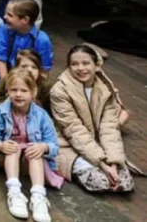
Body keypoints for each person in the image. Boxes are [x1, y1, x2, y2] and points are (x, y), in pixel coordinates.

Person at [49, 44, 135, 193]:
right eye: (74, 64)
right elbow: (74, 130)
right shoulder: (59, 90)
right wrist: (102, 164)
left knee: (125, 183)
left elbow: (109, 128)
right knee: (100, 182)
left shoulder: (105, 88)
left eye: (86, 63)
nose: (80, 68)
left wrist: (113, 162)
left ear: (97, 65)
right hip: (68, 143)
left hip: (96, 142)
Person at [0, 70, 60, 222]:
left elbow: (54, 146)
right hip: (7, 158)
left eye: (24, 90)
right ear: (7, 91)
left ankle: (38, 197)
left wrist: (43, 147)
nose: (18, 94)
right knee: (13, 147)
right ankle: (14, 192)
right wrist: (0, 145)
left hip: (30, 161)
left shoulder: (42, 115)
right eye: (14, 90)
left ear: (33, 92)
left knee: (35, 151)